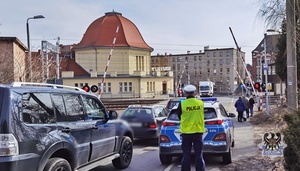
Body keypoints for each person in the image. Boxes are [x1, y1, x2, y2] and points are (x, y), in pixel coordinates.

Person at [175, 84, 205, 171]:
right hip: (198, 132)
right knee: (199, 154)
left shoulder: (182, 104)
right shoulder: (200, 103)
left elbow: (179, 116)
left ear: (185, 93)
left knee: (186, 154)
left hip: (186, 133)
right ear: (194, 93)